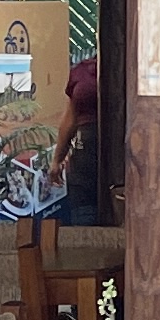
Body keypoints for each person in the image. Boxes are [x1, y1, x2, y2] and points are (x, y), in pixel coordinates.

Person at [53, 52, 101, 215]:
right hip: (84, 161)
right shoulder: (82, 71)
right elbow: (70, 118)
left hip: (123, 163)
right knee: (84, 217)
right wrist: (57, 160)